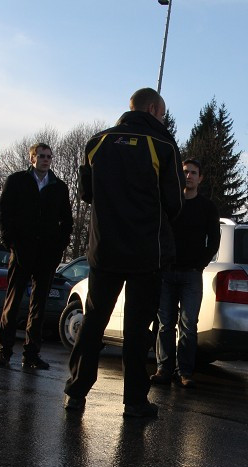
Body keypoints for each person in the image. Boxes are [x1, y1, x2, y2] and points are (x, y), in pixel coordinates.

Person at [63, 88, 184, 418]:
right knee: (136, 328)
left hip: (105, 248)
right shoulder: (162, 144)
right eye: (161, 114)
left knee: (94, 321)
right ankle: (134, 401)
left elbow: (86, 192)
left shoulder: (97, 142)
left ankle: (76, 392)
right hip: (147, 251)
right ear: (151, 108)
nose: (162, 119)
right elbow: (174, 201)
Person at [0, 143, 73, 370]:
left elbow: (66, 220)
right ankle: (4, 351)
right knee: (13, 301)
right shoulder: (17, 181)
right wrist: (10, 241)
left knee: (39, 305)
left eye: (49, 156)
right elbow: (5, 212)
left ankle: (31, 354)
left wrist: (60, 246)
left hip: (47, 254)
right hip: (21, 251)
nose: (46, 160)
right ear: (32, 158)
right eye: (41, 156)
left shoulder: (59, 187)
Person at [150, 158, 220, 388]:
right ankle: (163, 369)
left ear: (200, 178)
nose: (188, 175)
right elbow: (157, 232)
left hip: (191, 274)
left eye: (193, 172)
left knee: (189, 326)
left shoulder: (207, 207)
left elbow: (214, 240)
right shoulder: (169, 203)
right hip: (167, 272)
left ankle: (185, 373)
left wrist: (201, 263)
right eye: (185, 172)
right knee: (165, 324)